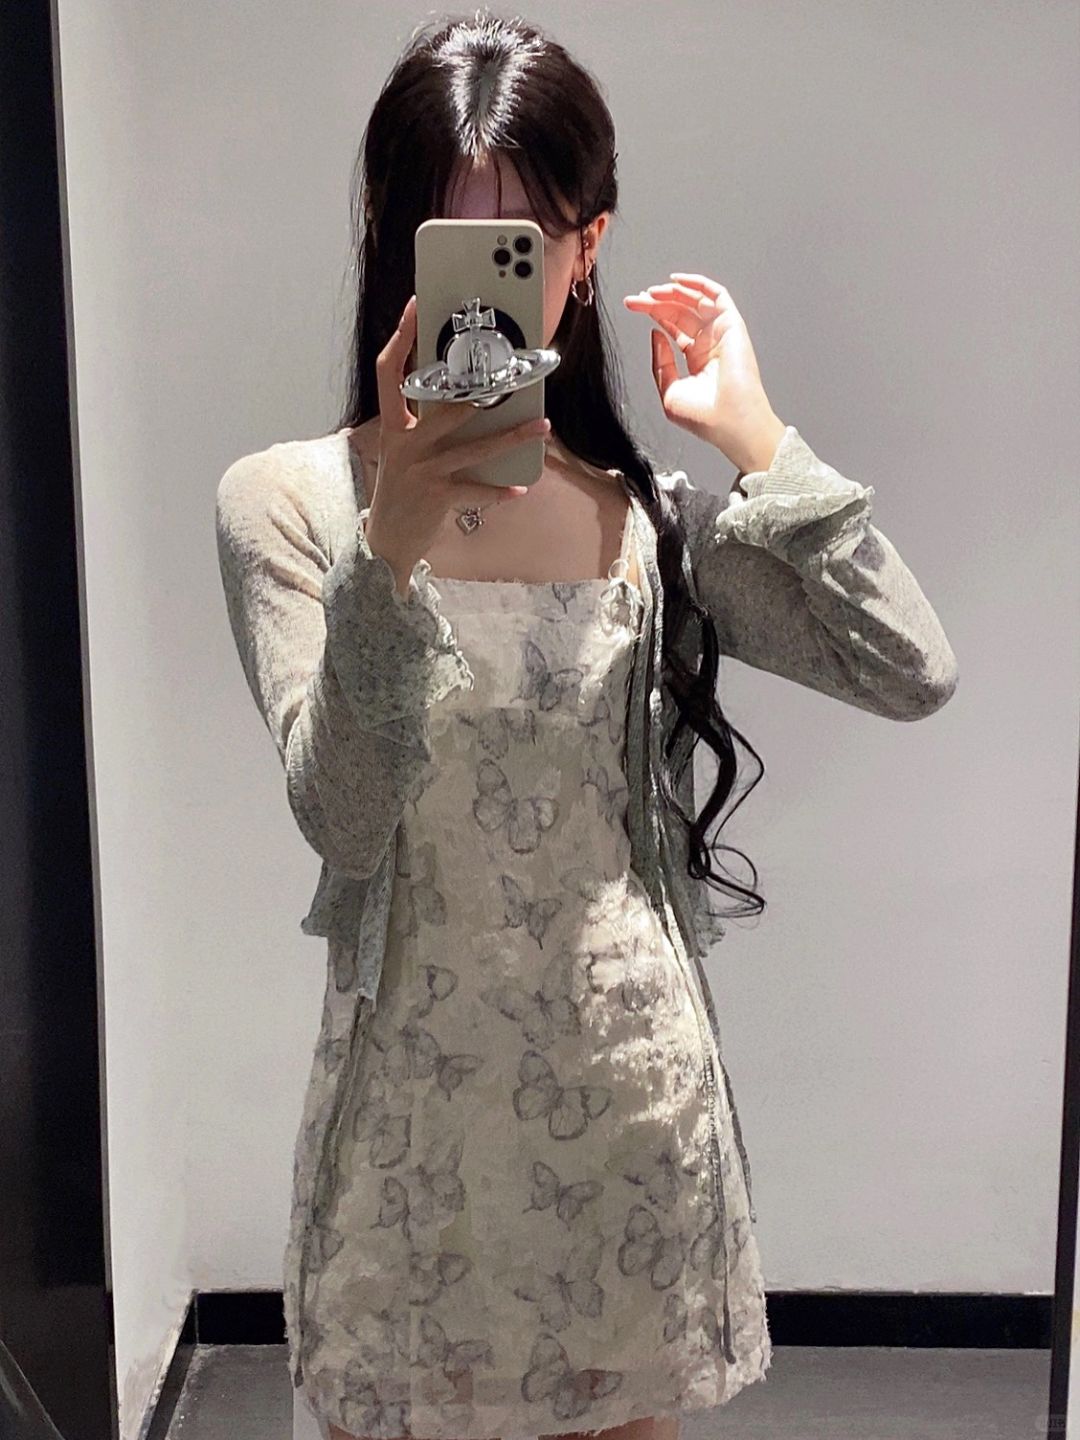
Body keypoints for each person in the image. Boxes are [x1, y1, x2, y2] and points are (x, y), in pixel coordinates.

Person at [214, 13, 959, 1440]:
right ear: (388, 235)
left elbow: (911, 666)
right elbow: (343, 815)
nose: (481, 282)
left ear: (587, 246)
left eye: (522, 241)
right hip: (410, 1132)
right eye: (446, 238)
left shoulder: (649, 525)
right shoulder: (290, 504)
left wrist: (760, 443)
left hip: (628, 1109)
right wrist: (393, 544)